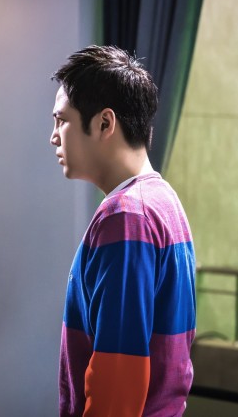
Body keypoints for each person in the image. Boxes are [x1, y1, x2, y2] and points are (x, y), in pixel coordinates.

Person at [50, 45, 196, 417]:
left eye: (61, 120)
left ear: (104, 123)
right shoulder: (162, 199)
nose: (54, 137)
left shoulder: (127, 216)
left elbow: (118, 380)